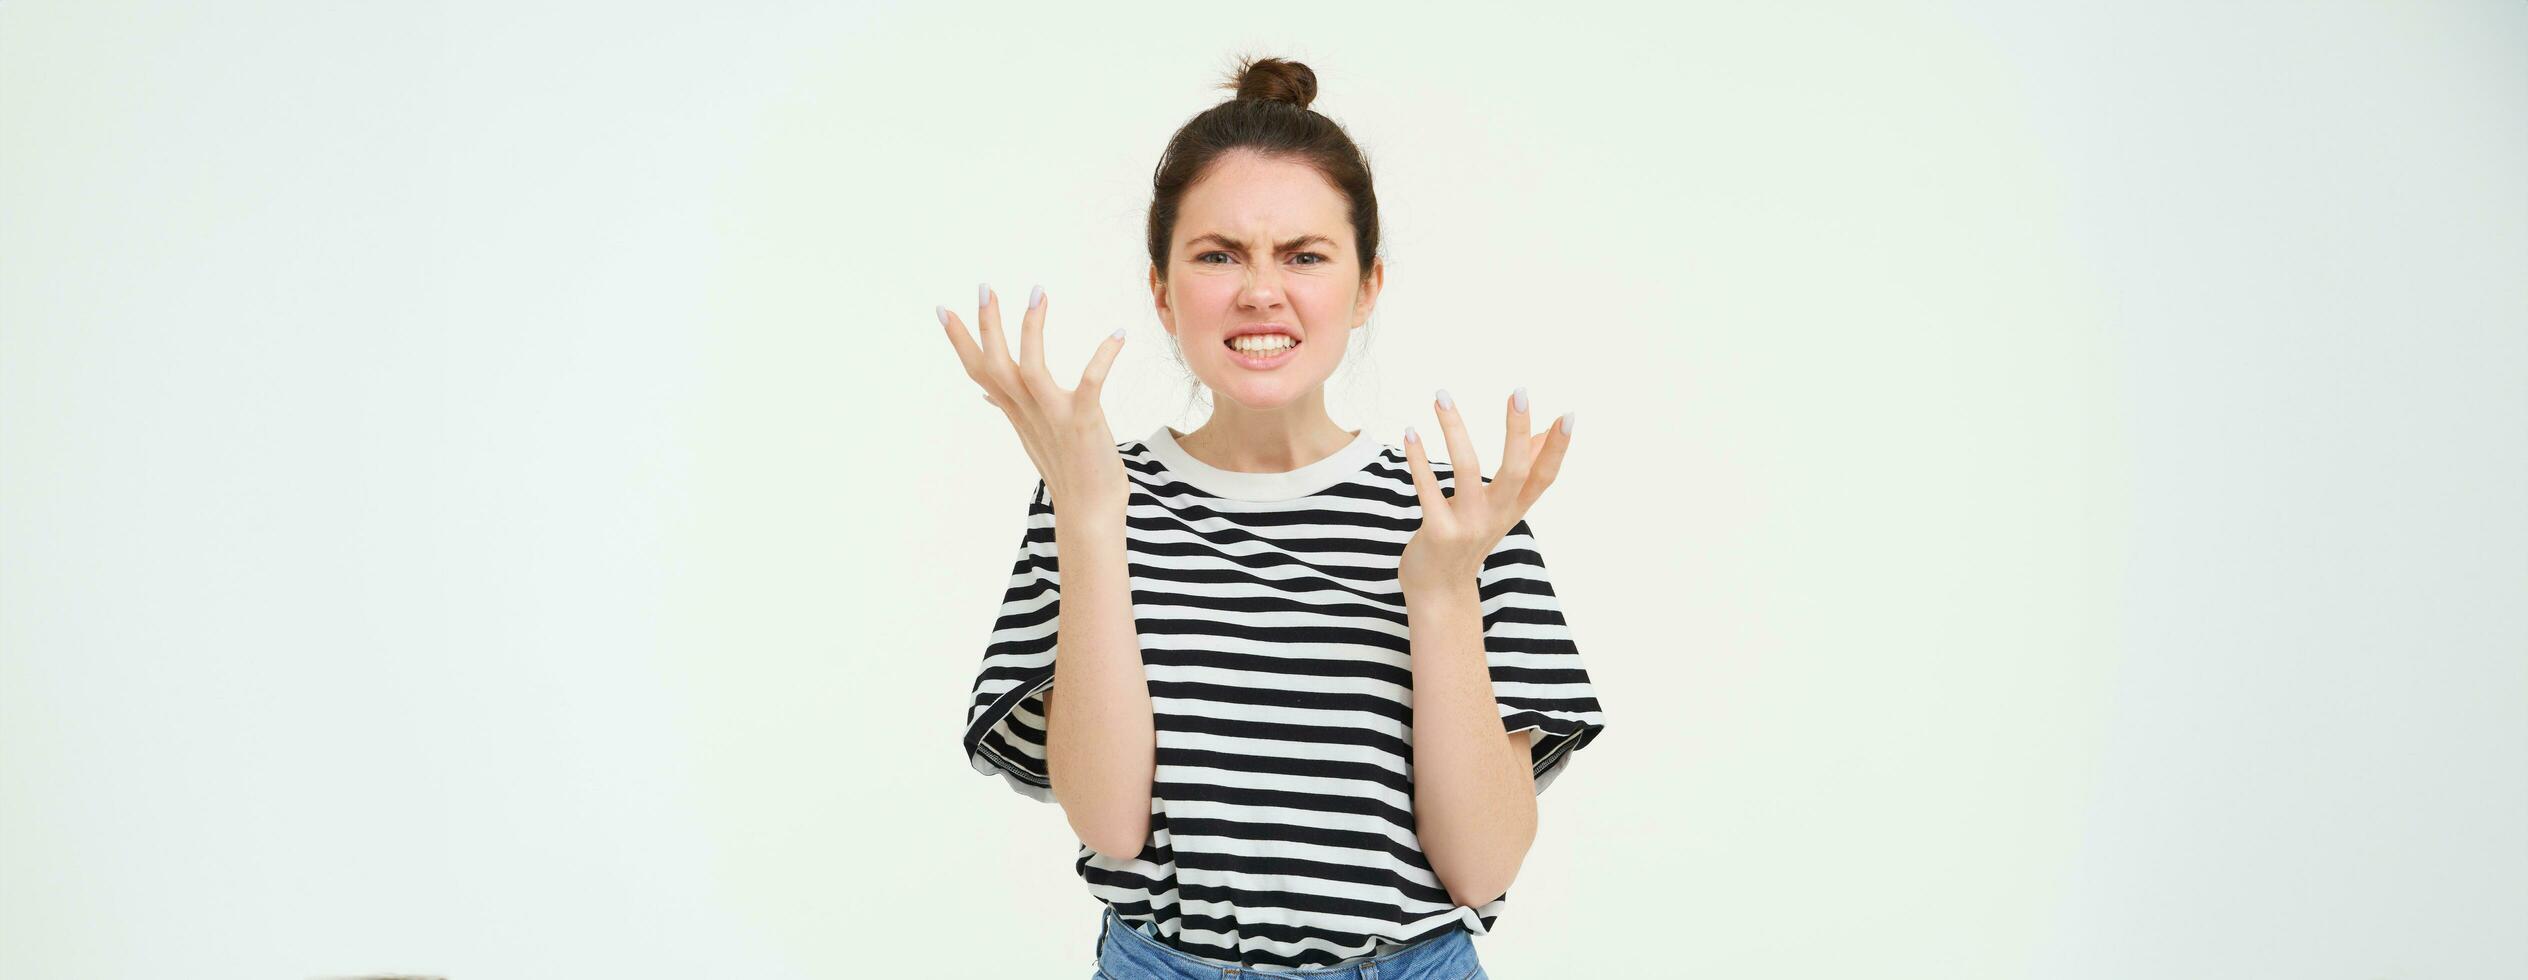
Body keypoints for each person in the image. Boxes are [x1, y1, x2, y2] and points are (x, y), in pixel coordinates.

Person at [939, 55, 1608, 978]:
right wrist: (1092, 521)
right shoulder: (1090, 489)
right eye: (1219, 255)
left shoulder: (1461, 515)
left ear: (1366, 285)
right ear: (1163, 291)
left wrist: (1445, 594)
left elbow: (1482, 867)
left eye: (1304, 256)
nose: (1261, 291)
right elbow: (1110, 824)